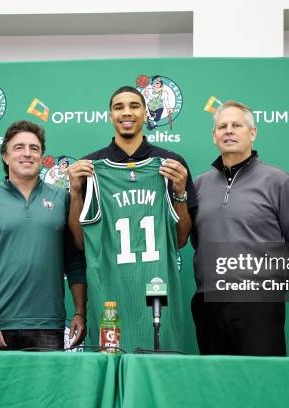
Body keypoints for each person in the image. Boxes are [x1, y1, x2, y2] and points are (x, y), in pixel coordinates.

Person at [67, 85, 196, 352]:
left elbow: (180, 239)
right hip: (110, 298)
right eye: (119, 107)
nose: (127, 112)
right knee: (109, 377)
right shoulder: (91, 167)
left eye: (134, 106)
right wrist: (76, 191)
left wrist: (180, 192)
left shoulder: (170, 164)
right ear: (110, 116)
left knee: (161, 375)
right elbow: (80, 242)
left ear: (145, 113)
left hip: (157, 294)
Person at [191, 100, 289, 356]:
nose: (229, 130)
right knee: (217, 384)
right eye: (222, 126)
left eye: (237, 125)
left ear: (252, 133)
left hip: (259, 304)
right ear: (214, 136)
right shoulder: (199, 185)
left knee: (262, 383)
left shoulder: (279, 181)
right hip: (209, 303)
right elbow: (197, 242)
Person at [0, 120, 86, 351]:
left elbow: (75, 262)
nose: (27, 154)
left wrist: (80, 312)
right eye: (19, 147)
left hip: (49, 326)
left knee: (45, 389)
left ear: (42, 156)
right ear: (5, 156)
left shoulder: (63, 199)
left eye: (34, 148)